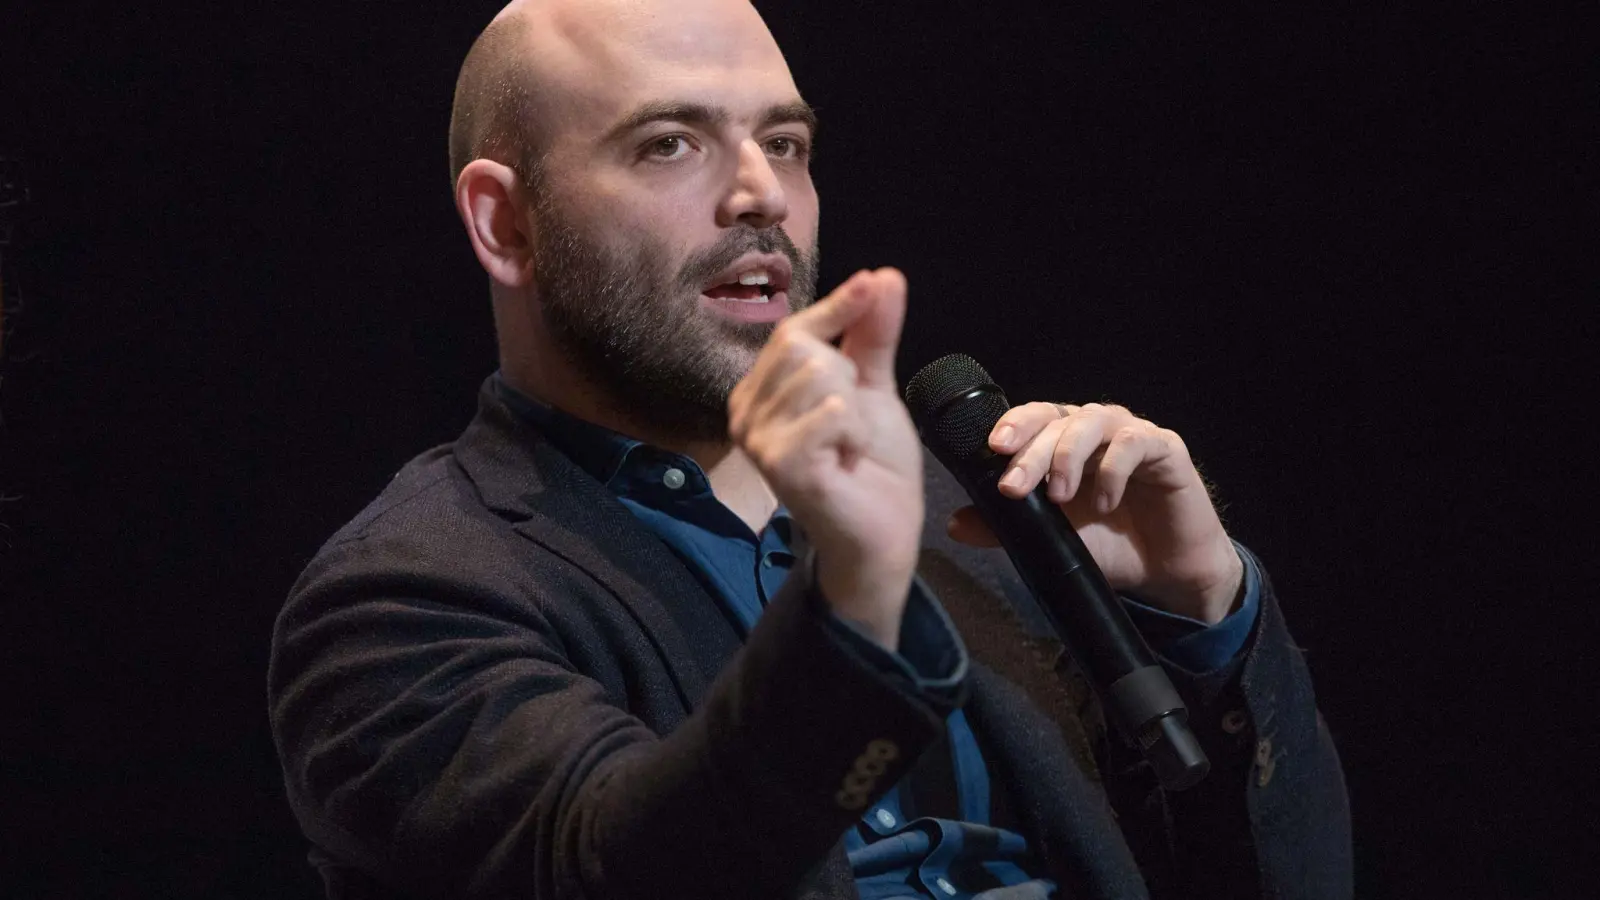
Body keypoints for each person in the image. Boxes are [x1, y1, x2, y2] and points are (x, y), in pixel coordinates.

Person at [268, 1, 1352, 897]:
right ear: (505, 224)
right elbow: (618, 871)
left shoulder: (966, 519)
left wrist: (1203, 610)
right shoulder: (405, 597)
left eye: (784, 143)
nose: (762, 195)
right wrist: (856, 606)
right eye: (669, 144)